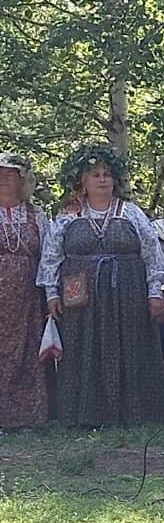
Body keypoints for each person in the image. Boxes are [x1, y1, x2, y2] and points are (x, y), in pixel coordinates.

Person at [38, 143, 164, 426]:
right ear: (82, 181)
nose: (102, 180)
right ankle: (84, 414)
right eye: (95, 175)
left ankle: (133, 413)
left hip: (127, 295)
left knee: (130, 349)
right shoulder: (68, 216)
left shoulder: (131, 213)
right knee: (83, 351)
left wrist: (154, 292)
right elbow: (51, 256)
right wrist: (51, 294)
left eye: (107, 174)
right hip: (80, 298)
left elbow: (152, 253)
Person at [0, 151, 50, 428]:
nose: (4, 180)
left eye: (10, 175)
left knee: (28, 352)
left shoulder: (36, 215)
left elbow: (49, 254)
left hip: (29, 299)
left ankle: (27, 416)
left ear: (22, 180)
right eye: (0, 175)